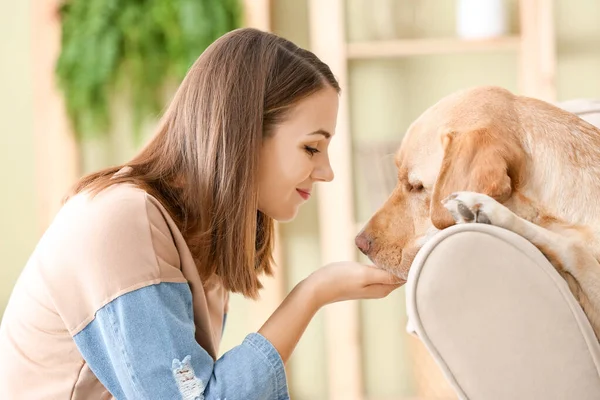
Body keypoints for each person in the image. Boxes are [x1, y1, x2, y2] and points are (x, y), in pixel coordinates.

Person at [0, 28, 402, 399]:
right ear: (243, 134)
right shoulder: (122, 220)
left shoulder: (193, 231)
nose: (327, 172)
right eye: (312, 148)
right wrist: (314, 292)